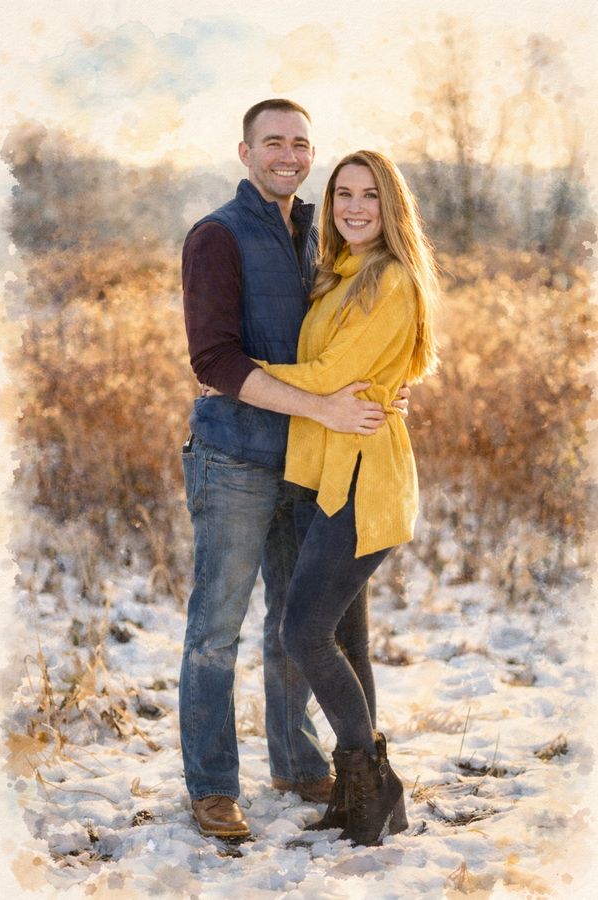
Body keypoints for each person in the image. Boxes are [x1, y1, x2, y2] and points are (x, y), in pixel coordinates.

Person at [180, 99, 410, 840]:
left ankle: (300, 763)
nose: (288, 155)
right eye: (272, 142)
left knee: (296, 626)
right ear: (245, 152)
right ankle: (214, 787)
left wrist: (384, 387)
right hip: (235, 457)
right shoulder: (217, 235)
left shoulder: (319, 234)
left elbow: (363, 332)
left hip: (311, 464)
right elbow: (214, 359)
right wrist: (322, 405)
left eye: (300, 144)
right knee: (216, 630)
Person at [241, 150, 440, 845]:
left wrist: (239, 373)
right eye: (343, 194)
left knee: (303, 632)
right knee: (347, 640)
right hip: (327, 473)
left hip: (364, 480)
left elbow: (331, 374)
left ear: (392, 207)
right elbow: (341, 373)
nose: (355, 207)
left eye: (370, 196)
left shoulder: (390, 280)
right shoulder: (341, 274)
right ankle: (369, 796)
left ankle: (371, 784)